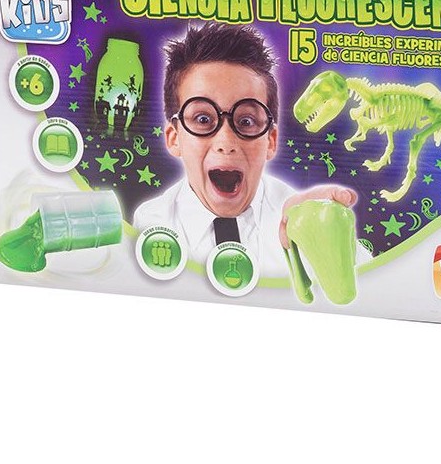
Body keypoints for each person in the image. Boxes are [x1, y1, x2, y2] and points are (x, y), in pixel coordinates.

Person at [133, 22, 368, 279]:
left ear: (271, 140)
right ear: (174, 138)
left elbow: (373, 285)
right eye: (203, 119)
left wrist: (333, 240)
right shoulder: (149, 225)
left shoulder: (300, 217)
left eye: (246, 121)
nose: (226, 142)